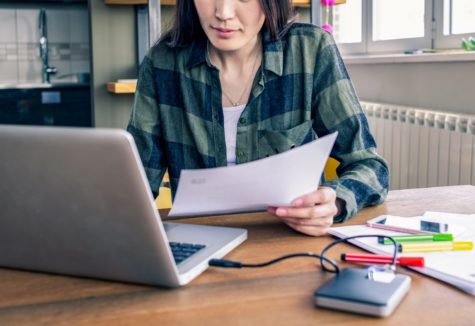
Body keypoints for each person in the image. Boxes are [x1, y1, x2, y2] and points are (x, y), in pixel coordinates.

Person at [127, 0, 389, 236]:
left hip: (289, 240)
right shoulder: (161, 64)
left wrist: (335, 201)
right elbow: (136, 186)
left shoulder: (311, 50)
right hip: (199, 242)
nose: (223, 13)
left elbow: (370, 167)